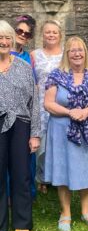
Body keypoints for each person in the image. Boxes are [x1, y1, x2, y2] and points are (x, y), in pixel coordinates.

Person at [44, 37, 88, 231]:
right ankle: (65, 213)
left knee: (85, 169)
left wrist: (84, 112)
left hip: (87, 129)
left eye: (80, 50)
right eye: (72, 50)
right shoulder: (56, 75)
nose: (77, 53)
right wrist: (69, 112)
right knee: (63, 171)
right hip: (61, 129)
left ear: (85, 53)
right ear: (67, 54)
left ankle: (86, 211)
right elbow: (49, 103)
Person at [0, 21, 40, 231]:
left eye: (7, 38)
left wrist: (35, 134)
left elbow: (34, 102)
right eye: (0, 39)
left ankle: (22, 222)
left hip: (21, 124)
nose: (4, 42)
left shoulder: (24, 67)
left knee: (21, 174)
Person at [33, 19, 64, 194]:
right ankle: (42, 178)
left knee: (59, 140)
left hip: (61, 103)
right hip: (40, 104)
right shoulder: (34, 55)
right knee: (42, 141)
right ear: (42, 35)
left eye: (54, 32)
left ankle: (58, 175)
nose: (51, 35)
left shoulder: (65, 55)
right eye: (47, 32)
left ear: (60, 35)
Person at [11, 15, 37, 198]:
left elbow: (33, 85)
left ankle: (25, 192)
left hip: (24, 112)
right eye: (19, 31)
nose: (23, 35)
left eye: (27, 34)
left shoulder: (28, 57)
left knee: (26, 154)